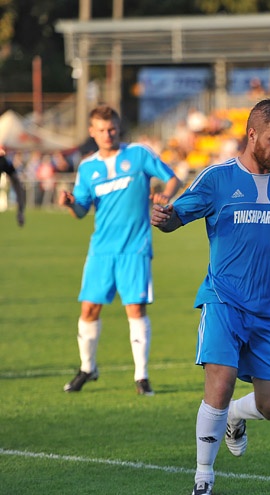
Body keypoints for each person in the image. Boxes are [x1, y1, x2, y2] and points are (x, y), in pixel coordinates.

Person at [151, 98, 270, 495]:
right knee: (221, 378)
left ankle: (233, 417)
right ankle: (203, 476)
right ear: (251, 135)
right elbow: (178, 216)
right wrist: (164, 219)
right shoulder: (217, 178)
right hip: (223, 299)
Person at [58, 105, 181, 395]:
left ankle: (142, 377)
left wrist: (167, 194)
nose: (107, 134)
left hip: (135, 247)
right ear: (92, 132)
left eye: (111, 128)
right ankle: (87, 368)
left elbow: (173, 177)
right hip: (101, 250)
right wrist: (69, 204)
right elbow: (80, 209)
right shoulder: (88, 167)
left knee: (135, 309)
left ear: (118, 127)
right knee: (89, 309)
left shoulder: (138, 154)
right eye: (101, 130)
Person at [0, 145, 27, 226]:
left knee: (19, 188)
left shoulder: (3, 161)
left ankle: (20, 213)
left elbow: (16, 181)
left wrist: (20, 211)